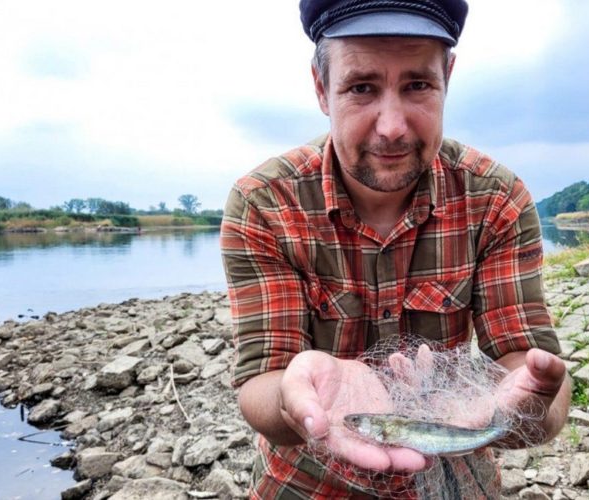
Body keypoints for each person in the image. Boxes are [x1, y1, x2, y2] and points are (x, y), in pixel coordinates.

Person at [221, 0, 571, 497]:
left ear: (447, 76)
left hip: (455, 477)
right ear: (322, 88)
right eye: (362, 87)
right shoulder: (264, 204)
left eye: (418, 86)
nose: (391, 127)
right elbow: (261, 382)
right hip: (304, 483)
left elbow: (532, 373)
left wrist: (524, 405)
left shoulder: (497, 201)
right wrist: (293, 395)